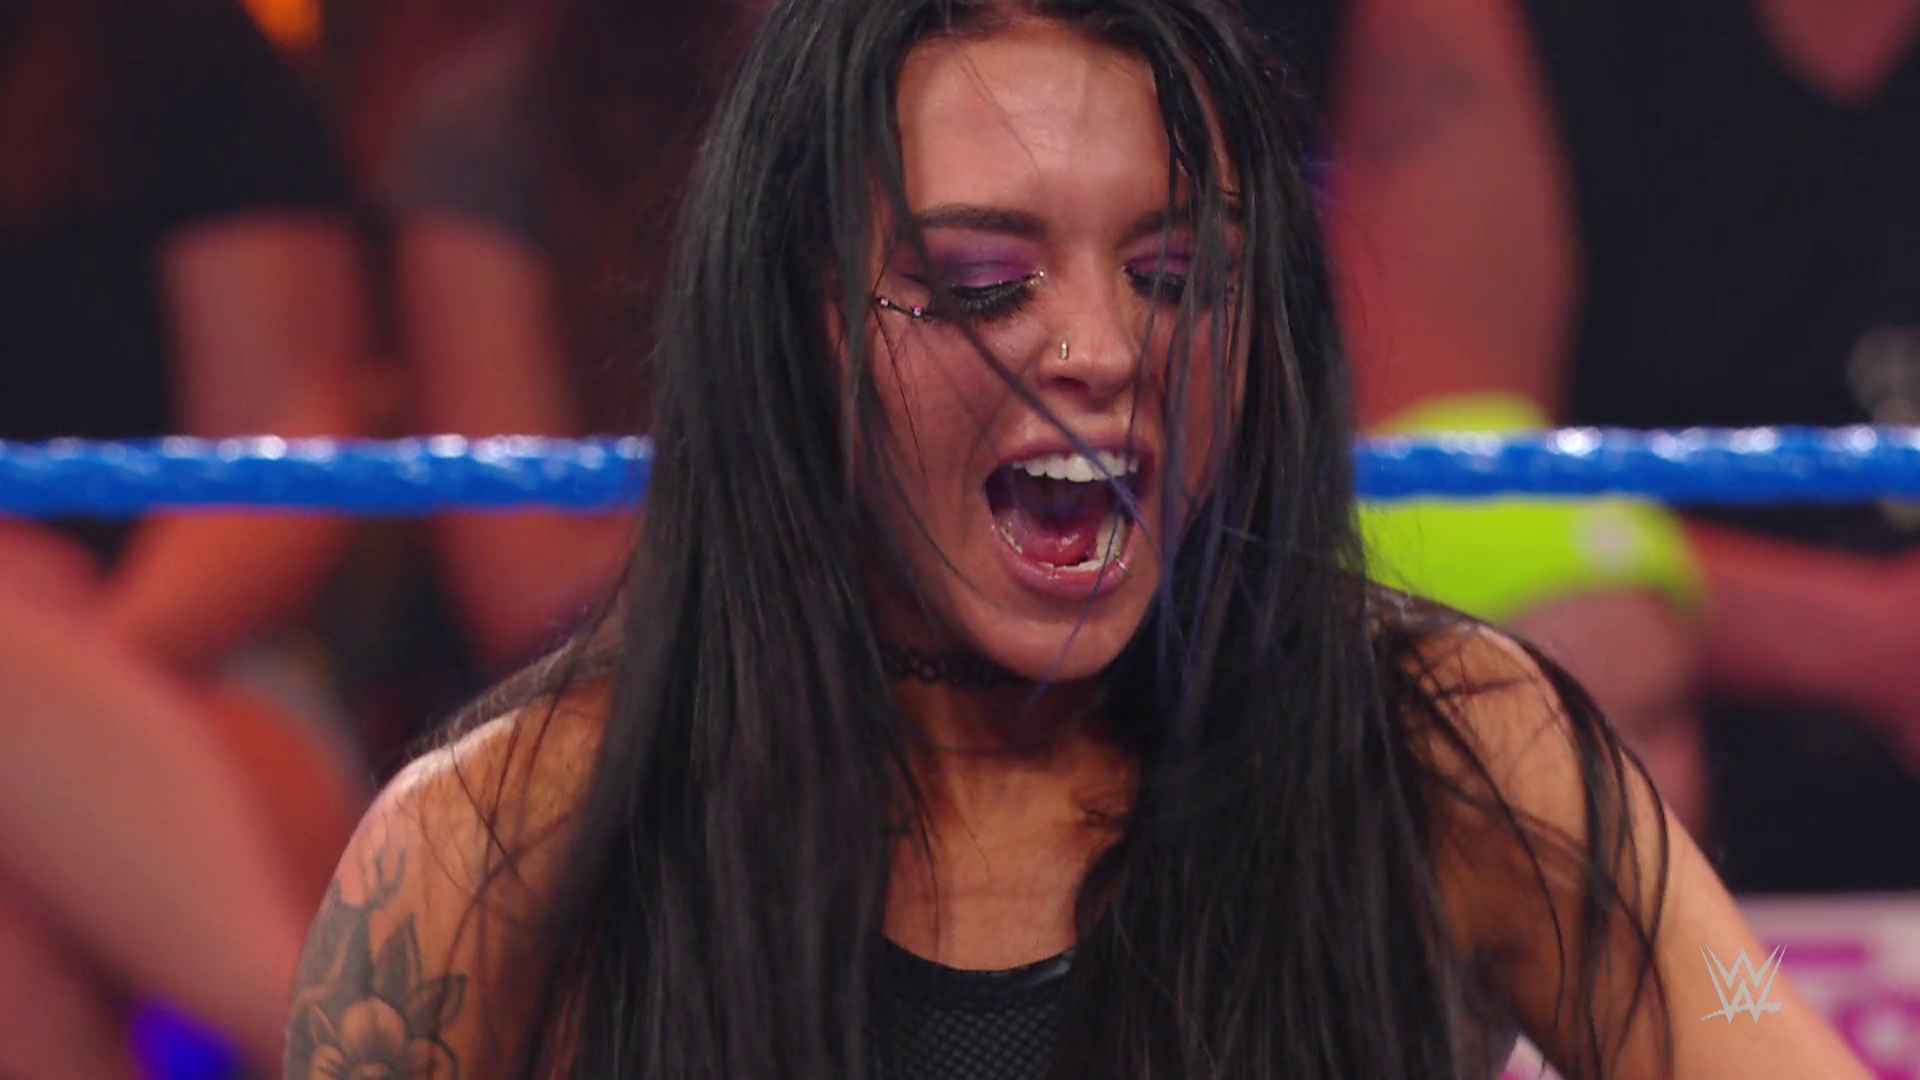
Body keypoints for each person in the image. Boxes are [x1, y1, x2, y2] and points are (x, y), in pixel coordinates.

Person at [283, 1, 1870, 1078]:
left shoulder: (1450, 755)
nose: (1103, 350)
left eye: (1176, 278)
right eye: (986, 283)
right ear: (797, 324)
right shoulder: (498, 840)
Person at [1247, 0, 1920, 893]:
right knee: (1564, 654)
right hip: (1658, 819)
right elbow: (1428, 496)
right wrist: (1865, 637)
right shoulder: (1491, 32)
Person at [1, 0, 370, 1071]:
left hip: (197, 674)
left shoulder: (175, 52)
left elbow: (286, 444)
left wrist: (68, 671)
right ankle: (343, 1044)